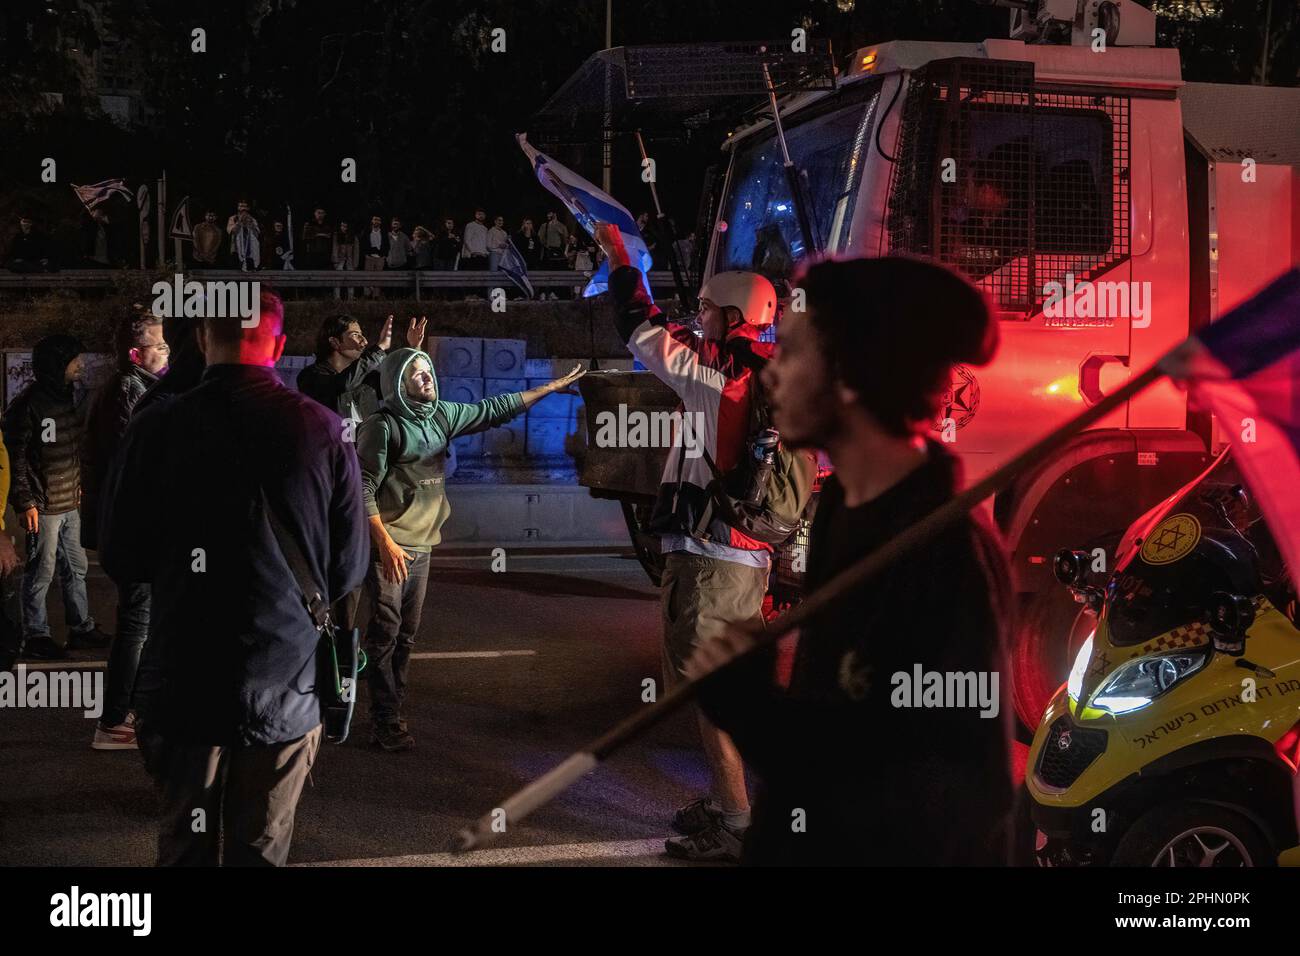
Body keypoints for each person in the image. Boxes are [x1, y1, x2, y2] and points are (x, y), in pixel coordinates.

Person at [687, 256, 1015, 866]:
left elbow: (948, 799)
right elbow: (847, 729)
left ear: (851, 376)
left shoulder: (940, 554)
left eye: (791, 353)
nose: (772, 374)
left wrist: (753, 711)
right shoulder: (845, 506)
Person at [99, 290, 369, 866]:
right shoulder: (324, 431)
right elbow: (348, 570)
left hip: (182, 683)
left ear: (202, 339)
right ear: (278, 344)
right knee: (260, 848)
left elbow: (122, 558)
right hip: (285, 686)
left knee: (183, 849)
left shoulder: (156, 426)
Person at [594, 224, 775, 862]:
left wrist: (620, 259)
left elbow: (640, 328)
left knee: (714, 696)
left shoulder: (714, 372)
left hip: (710, 564)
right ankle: (744, 806)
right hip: (741, 559)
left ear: (733, 317)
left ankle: (738, 823)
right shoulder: (763, 374)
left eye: (704, 311)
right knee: (725, 692)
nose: (695, 320)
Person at [357, 349, 583, 751]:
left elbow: (494, 408)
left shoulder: (442, 415)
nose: (427, 377)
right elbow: (362, 490)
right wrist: (386, 543)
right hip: (390, 548)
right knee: (383, 636)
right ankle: (384, 720)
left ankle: (394, 709)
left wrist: (548, 388)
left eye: (429, 370)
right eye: (417, 373)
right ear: (397, 383)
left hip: (423, 546)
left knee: (406, 637)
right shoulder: (382, 426)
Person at [81, 310, 170, 750]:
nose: (167, 351)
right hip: (132, 528)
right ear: (137, 353)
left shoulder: (137, 388)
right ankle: (114, 720)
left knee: (143, 621)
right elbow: (131, 464)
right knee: (136, 622)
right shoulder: (126, 391)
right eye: (160, 345)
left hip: (133, 525)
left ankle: (129, 711)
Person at [3, 335, 110, 660]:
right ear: (56, 365)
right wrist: (25, 502)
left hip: (68, 503)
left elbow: (70, 448)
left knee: (75, 567)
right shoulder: (28, 404)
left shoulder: (66, 397)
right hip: (43, 506)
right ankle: (37, 635)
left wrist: (77, 483)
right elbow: (16, 456)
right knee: (41, 572)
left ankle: (81, 628)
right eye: (73, 360)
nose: (80, 365)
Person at [227, 199, 261, 271]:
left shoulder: (253, 220)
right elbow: (232, 231)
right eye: (241, 206)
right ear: (238, 207)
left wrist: (251, 224)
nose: (243, 208)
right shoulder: (233, 218)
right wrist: (239, 221)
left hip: (250, 252)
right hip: (236, 251)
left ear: (248, 208)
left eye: (245, 206)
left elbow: (257, 235)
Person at [362, 214, 388, 298]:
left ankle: (376, 295)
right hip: (369, 257)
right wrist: (366, 254)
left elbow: (387, 244)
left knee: (378, 277)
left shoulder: (383, 232)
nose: (376, 221)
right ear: (372, 221)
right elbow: (363, 243)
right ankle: (367, 295)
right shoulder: (367, 231)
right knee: (367, 277)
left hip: (380, 257)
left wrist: (384, 255)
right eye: (375, 220)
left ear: (380, 222)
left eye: (378, 220)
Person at [332, 220, 359, 299]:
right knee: (338, 280)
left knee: (350, 280)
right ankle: (337, 297)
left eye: (345, 226)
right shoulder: (337, 236)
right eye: (342, 226)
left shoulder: (353, 237)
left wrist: (355, 263)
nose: (343, 228)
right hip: (339, 260)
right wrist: (335, 261)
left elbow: (356, 251)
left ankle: (350, 297)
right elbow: (335, 249)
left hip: (350, 260)